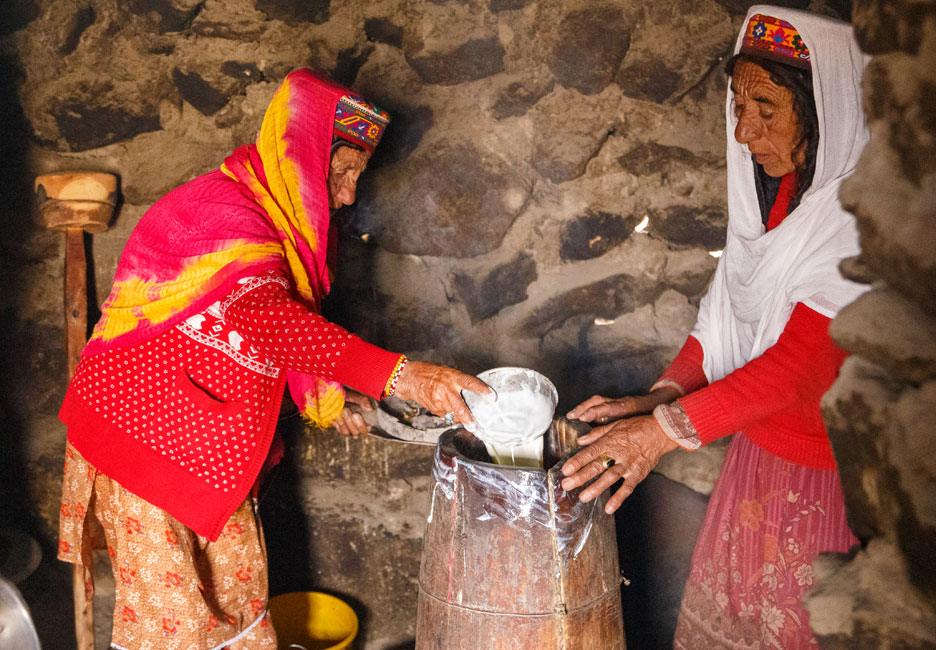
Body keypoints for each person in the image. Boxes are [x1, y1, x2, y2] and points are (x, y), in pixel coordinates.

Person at [57, 68, 489, 649]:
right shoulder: (219, 211)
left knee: (239, 605)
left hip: (210, 446)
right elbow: (266, 320)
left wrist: (339, 396)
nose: (349, 194)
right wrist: (408, 378)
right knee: (178, 627)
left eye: (357, 175)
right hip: (141, 444)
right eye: (340, 172)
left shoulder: (288, 230)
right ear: (298, 154)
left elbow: (287, 324)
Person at [560, 7, 869, 647]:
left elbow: (802, 364)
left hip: (823, 474)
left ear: (825, 108)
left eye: (766, 106)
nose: (742, 129)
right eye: (736, 103)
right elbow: (725, 319)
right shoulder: (787, 197)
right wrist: (658, 398)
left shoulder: (856, 218)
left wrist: (659, 435)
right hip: (757, 455)